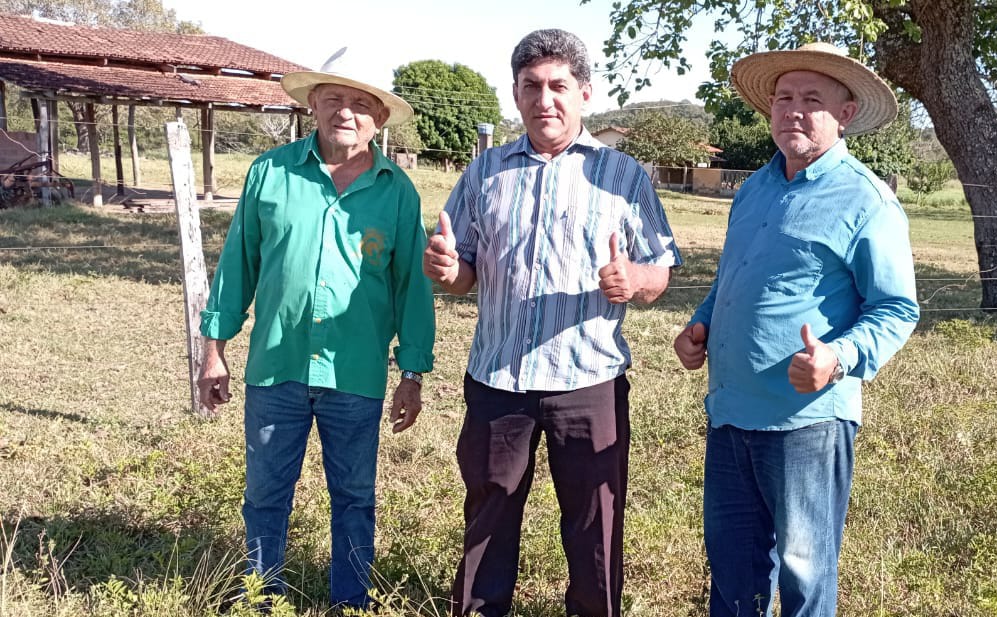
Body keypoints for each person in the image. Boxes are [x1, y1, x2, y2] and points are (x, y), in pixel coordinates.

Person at [423, 28, 682, 617]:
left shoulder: (624, 176)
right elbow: (464, 274)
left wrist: (632, 280)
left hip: (590, 383)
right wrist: (446, 269)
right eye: (531, 86)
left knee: (596, 526)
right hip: (498, 381)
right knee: (489, 517)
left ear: (585, 94)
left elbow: (658, 272)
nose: (545, 100)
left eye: (559, 85)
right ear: (515, 95)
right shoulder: (484, 173)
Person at [672, 42, 920, 617]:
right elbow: (732, 277)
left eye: (813, 99)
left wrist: (838, 357)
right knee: (733, 568)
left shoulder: (867, 200)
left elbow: (896, 310)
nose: (794, 111)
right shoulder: (755, 188)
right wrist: (702, 323)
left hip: (806, 423)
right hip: (730, 412)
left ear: (846, 113)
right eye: (785, 98)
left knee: (804, 574)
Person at [196, 47, 435, 609]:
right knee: (265, 495)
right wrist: (214, 350)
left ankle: (349, 602)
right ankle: (260, 598)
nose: (345, 113)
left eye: (359, 103)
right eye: (333, 100)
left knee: (354, 496)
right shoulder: (270, 172)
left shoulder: (396, 190)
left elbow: (411, 289)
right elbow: (238, 266)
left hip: (355, 374)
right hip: (275, 366)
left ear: (378, 117)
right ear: (312, 108)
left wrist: (414, 372)